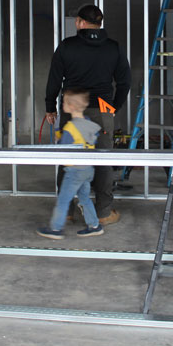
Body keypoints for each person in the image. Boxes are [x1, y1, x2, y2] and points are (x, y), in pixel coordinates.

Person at [44, 4, 131, 225]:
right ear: (99, 24)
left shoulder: (67, 46)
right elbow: (124, 82)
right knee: (102, 160)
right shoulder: (113, 47)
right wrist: (113, 107)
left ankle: (67, 211)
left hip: (73, 108)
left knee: (69, 159)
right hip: (102, 108)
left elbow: (54, 79)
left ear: (81, 23)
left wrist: (50, 107)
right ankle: (103, 212)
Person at [37, 89, 105, 239]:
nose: (63, 106)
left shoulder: (70, 128)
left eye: (64, 103)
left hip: (74, 171)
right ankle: (94, 225)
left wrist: (58, 139)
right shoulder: (89, 123)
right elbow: (91, 138)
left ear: (71, 107)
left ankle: (55, 229)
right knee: (84, 198)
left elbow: (64, 148)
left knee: (63, 199)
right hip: (88, 169)